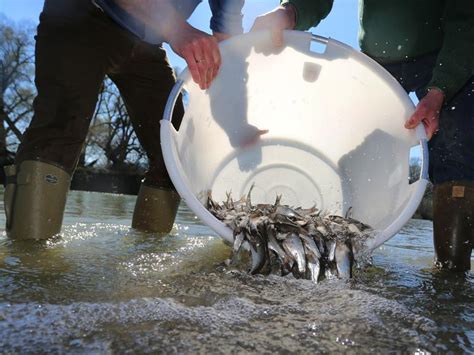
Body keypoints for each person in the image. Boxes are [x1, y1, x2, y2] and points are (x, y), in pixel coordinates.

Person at [251, 0, 474, 271]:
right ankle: (343, 252)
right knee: (358, 154)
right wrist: (291, 11)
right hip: (379, 61)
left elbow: (466, 20)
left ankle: (451, 276)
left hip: (445, 53)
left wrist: (442, 87)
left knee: (455, 148)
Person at [3, 0, 244, 240]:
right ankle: (28, 258)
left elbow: (229, 44)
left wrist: (240, 126)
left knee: (175, 151)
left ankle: (148, 252)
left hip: (146, 43)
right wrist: (179, 30)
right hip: (81, 14)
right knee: (61, 125)